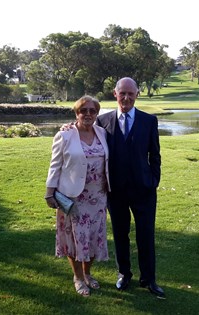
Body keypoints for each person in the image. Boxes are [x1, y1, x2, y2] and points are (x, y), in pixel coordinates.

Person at [95, 77, 164, 299]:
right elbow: (87, 139)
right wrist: (70, 127)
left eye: (130, 93)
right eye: (122, 93)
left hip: (144, 190)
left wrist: (154, 180)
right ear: (115, 94)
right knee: (120, 234)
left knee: (146, 235)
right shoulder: (101, 121)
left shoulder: (149, 121)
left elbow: (155, 154)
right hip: (115, 191)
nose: (126, 98)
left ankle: (149, 279)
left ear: (137, 94)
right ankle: (124, 274)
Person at [45, 95, 110, 297]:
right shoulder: (64, 136)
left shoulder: (102, 133)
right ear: (76, 113)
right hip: (73, 197)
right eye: (83, 111)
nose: (88, 114)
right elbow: (55, 165)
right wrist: (50, 192)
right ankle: (78, 278)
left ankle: (88, 273)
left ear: (97, 113)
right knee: (74, 238)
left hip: (98, 196)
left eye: (92, 111)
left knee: (92, 238)